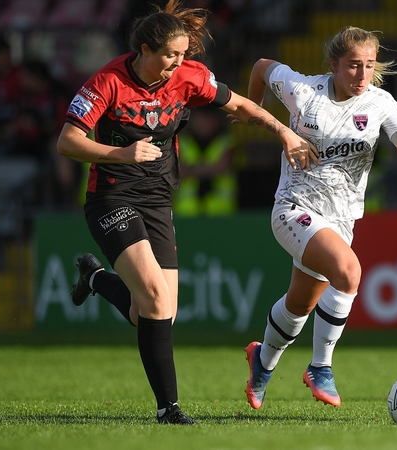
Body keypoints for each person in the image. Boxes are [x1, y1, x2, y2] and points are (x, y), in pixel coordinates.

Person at [57, 0, 314, 424]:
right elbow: (68, 141)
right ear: (143, 50)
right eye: (169, 56)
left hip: (157, 200)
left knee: (156, 313)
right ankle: (168, 410)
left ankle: (97, 278)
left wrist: (284, 132)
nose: (177, 64)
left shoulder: (189, 78)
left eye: (182, 55)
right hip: (112, 198)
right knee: (156, 302)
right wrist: (119, 152)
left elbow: (240, 106)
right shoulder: (106, 82)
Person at [241, 26, 397, 410]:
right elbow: (261, 67)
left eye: (369, 66)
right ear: (333, 64)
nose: (362, 75)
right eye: (353, 66)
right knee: (349, 273)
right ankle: (320, 367)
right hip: (294, 208)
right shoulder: (303, 91)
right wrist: (260, 116)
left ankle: (261, 363)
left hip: (340, 221)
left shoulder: (380, 103)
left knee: (300, 305)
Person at [173, 106, 239, 216]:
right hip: (186, 212)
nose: (205, 123)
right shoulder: (180, 141)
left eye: (208, 118)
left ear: (216, 120)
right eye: (201, 118)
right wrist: (211, 168)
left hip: (221, 212)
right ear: (193, 120)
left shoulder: (227, 141)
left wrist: (191, 170)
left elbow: (222, 167)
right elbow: (179, 172)